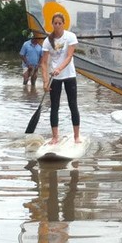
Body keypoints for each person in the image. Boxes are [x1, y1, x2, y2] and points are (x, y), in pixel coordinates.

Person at [41, 13, 81, 144]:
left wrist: (59, 69)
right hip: (55, 78)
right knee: (54, 107)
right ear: (52, 24)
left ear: (64, 24)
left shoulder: (70, 37)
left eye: (60, 23)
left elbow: (69, 57)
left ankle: (76, 137)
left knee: (72, 105)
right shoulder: (47, 41)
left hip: (69, 75)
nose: (57, 25)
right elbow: (44, 62)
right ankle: (55, 137)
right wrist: (45, 81)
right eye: (55, 23)